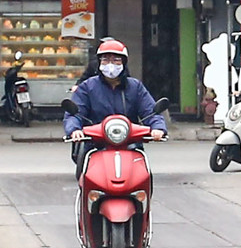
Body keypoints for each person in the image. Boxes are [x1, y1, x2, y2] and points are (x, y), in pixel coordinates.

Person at [63, 38, 167, 169]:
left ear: (124, 62)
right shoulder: (87, 87)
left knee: (143, 175)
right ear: (99, 62)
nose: (110, 64)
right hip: (95, 146)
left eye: (116, 60)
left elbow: (150, 111)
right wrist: (74, 130)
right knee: (87, 176)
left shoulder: (135, 87)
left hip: (130, 146)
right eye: (105, 60)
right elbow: (75, 113)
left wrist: (158, 127)